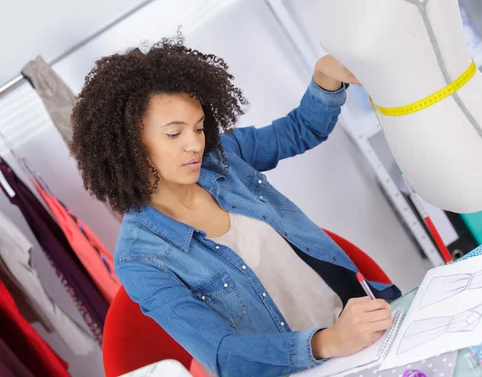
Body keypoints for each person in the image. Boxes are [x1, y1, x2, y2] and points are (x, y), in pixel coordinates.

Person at [69, 35, 401, 376]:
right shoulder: (141, 258)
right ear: (130, 144)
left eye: (198, 128)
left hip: (363, 332)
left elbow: (301, 129)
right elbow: (223, 355)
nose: (194, 145)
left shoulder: (221, 158)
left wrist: (326, 76)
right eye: (174, 134)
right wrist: (327, 342)